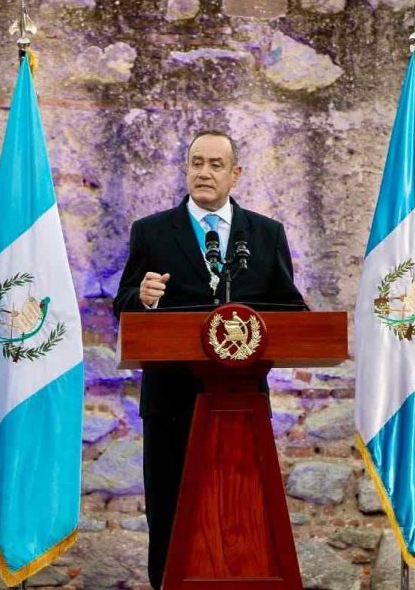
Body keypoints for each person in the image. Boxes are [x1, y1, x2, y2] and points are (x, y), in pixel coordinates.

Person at [112, 131, 306, 589]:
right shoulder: (152, 231)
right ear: (185, 169)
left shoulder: (265, 233)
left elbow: (291, 310)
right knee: (171, 512)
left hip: (241, 407)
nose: (204, 172)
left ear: (235, 173)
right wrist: (141, 297)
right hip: (170, 403)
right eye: (196, 162)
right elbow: (122, 303)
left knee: (238, 514)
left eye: (216, 164)